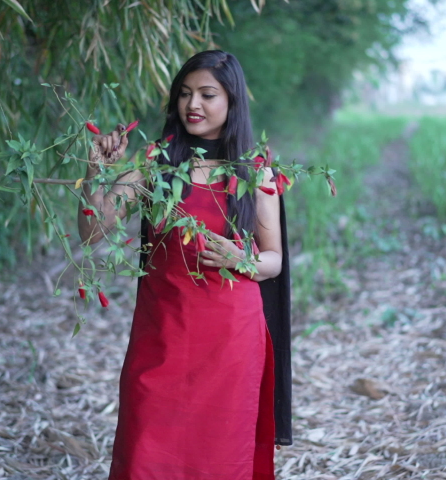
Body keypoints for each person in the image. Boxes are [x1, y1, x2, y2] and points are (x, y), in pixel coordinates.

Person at [77, 50, 292, 480]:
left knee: (218, 458)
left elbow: (274, 261)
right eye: (185, 94)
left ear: (232, 102)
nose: (193, 105)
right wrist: (95, 173)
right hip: (163, 333)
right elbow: (92, 233)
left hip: (231, 340)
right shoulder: (154, 169)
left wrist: (241, 258)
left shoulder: (254, 174)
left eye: (207, 95)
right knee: (145, 452)